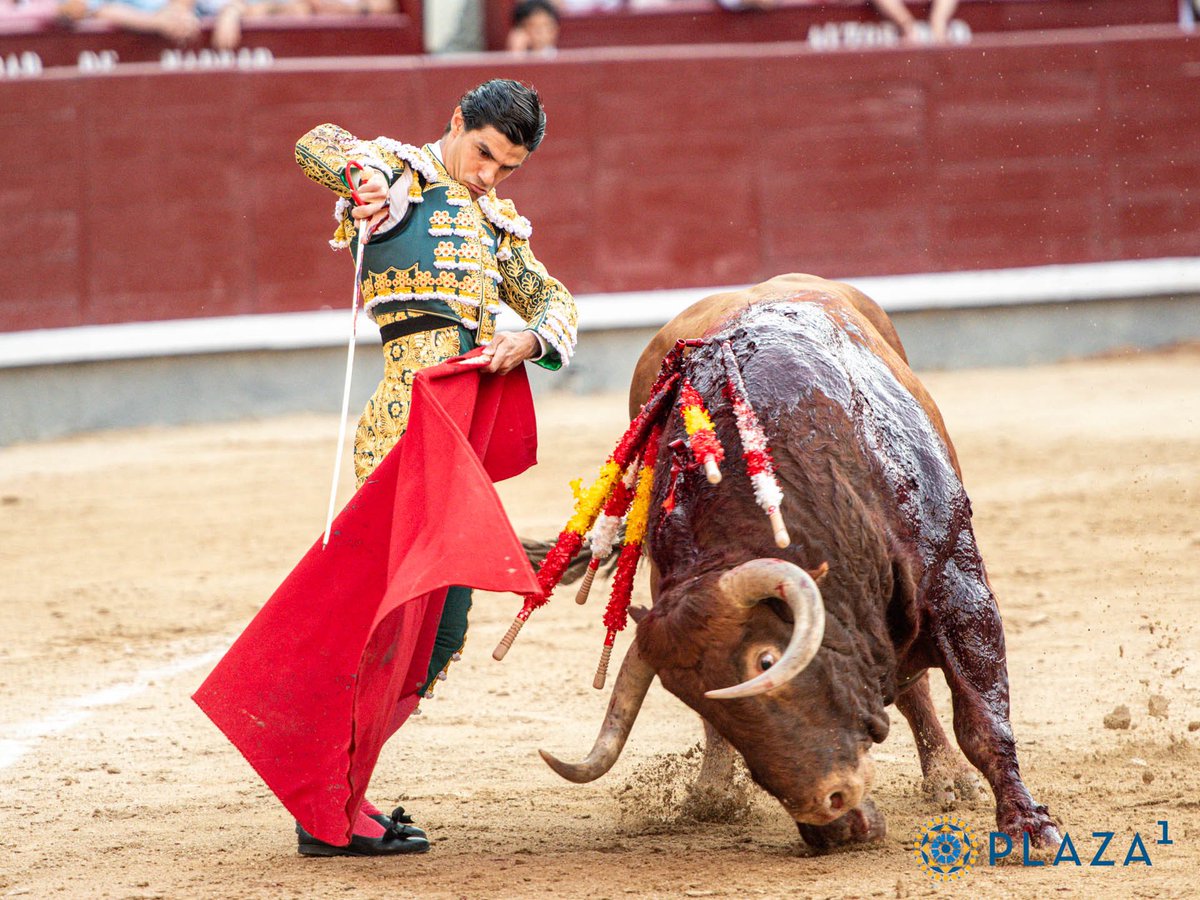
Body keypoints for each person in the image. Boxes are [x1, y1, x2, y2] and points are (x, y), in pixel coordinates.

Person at [291, 78, 577, 857]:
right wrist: (363, 177)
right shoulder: (397, 172)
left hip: (463, 431)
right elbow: (318, 140)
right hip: (402, 421)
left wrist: (531, 339)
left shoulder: (496, 223)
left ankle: (343, 787)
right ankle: (329, 802)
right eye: (484, 153)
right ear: (456, 123)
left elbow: (555, 298)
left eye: (506, 168)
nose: (490, 176)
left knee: (439, 626)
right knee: (393, 617)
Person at [869, 0, 960, 42]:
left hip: (935, 28)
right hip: (896, 28)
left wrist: (938, 22)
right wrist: (906, 24)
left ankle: (939, 33)